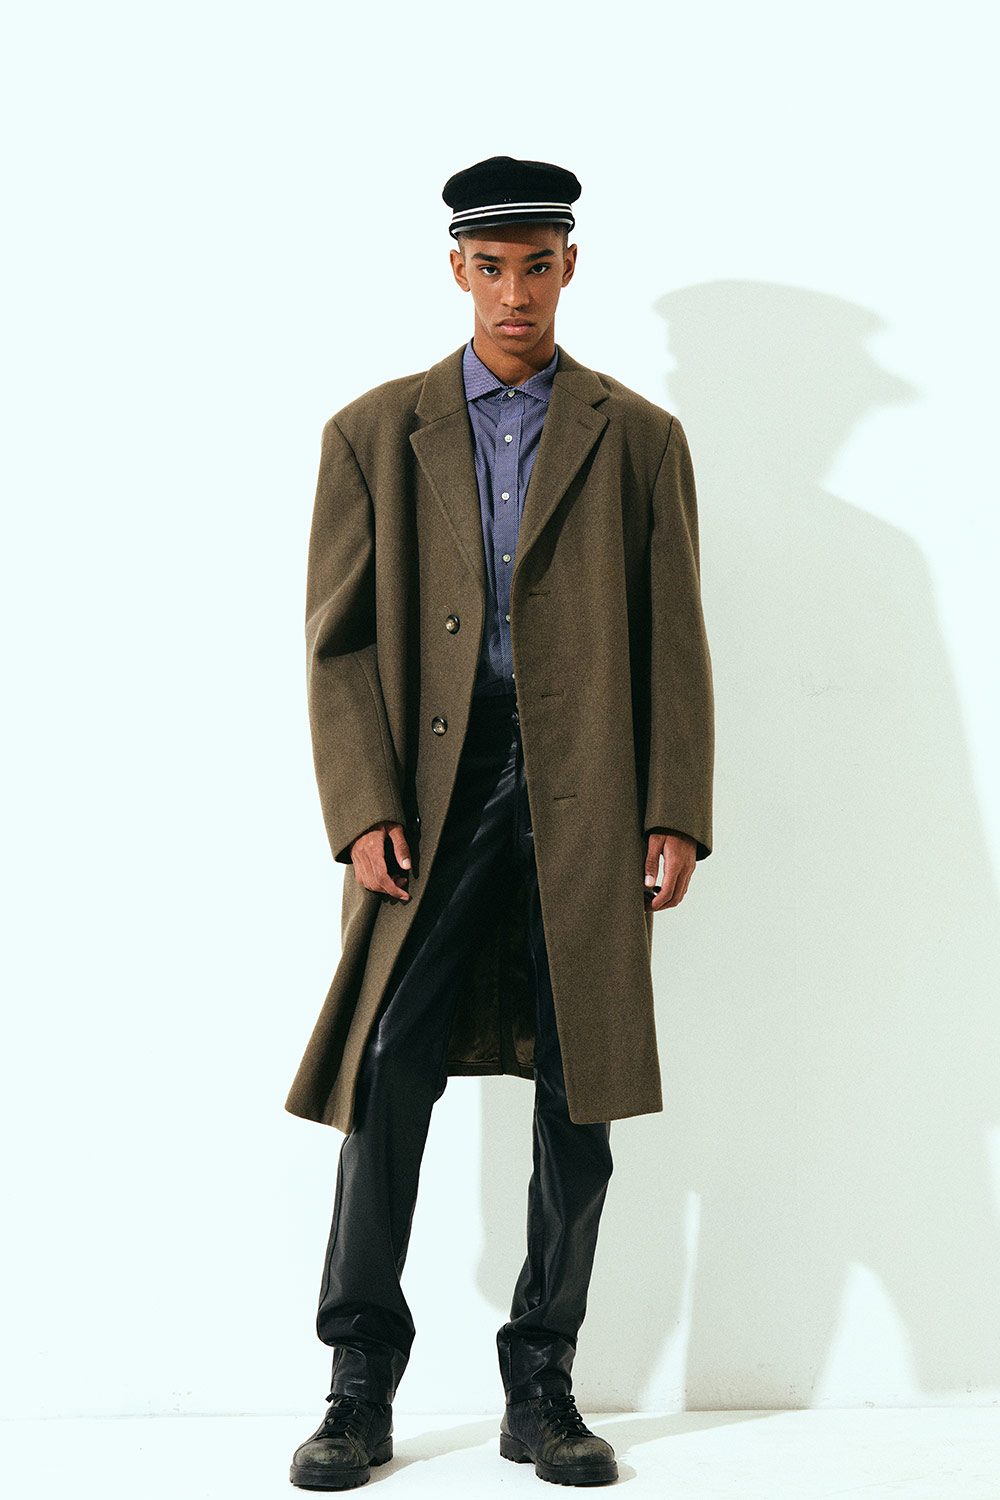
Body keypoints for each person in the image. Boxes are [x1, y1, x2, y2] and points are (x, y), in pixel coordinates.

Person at [286, 155, 715, 1490]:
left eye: (537, 266)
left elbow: (676, 638)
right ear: (457, 270)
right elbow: (338, 645)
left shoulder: (638, 436)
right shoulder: (373, 433)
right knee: (385, 1072)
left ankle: (544, 1385)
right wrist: (362, 805)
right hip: (430, 793)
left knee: (580, 1089)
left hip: (589, 790)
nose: (515, 293)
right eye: (491, 267)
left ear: (569, 266)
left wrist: (674, 811)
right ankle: (359, 1384)